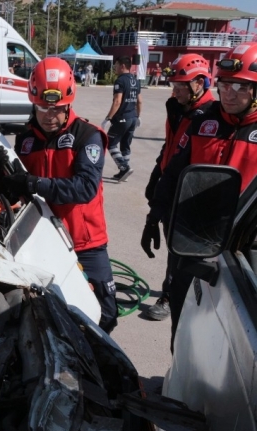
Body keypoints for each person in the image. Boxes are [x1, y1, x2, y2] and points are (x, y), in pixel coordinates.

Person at [142, 42, 257, 350]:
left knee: (234, 337)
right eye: (224, 84)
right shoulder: (203, 121)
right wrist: (154, 216)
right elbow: (174, 171)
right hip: (192, 240)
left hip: (242, 249)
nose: (229, 93)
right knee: (183, 327)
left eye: (239, 86)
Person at [0, 57, 118, 333]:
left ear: (68, 103)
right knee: (45, 315)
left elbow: (85, 188)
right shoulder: (26, 140)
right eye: (41, 108)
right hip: (42, 242)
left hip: (85, 243)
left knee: (104, 314)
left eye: (57, 108)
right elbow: (21, 189)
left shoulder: (88, 136)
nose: (49, 115)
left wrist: (34, 183)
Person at [143, 54, 215, 322]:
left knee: (179, 250)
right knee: (173, 246)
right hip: (169, 185)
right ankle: (173, 288)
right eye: (174, 85)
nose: (175, 91)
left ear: (199, 83)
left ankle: (170, 296)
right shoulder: (177, 107)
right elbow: (170, 145)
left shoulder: (210, 116)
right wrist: (156, 175)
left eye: (181, 86)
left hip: (188, 195)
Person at [101, 56, 142, 182]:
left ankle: (124, 167)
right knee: (125, 145)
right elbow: (139, 101)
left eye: (116, 65)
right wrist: (138, 116)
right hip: (133, 117)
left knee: (110, 143)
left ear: (123, 66)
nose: (115, 68)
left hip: (123, 118)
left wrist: (108, 118)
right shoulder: (136, 81)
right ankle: (123, 173)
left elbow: (117, 101)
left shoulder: (121, 81)